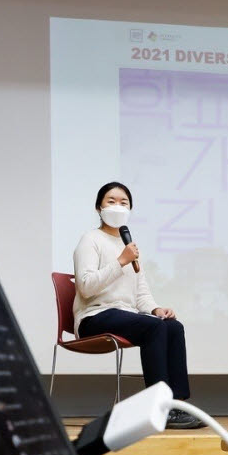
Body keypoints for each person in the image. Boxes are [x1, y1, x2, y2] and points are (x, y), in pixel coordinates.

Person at [72, 182, 201, 429]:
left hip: (125, 315)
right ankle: (159, 406)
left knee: (172, 326)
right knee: (153, 328)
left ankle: (177, 403)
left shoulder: (128, 245)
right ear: (99, 207)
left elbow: (140, 293)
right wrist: (121, 261)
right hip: (94, 316)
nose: (117, 206)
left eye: (124, 202)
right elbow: (86, 286)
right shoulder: (90, 240)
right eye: (111, 201)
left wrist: (156, 310)